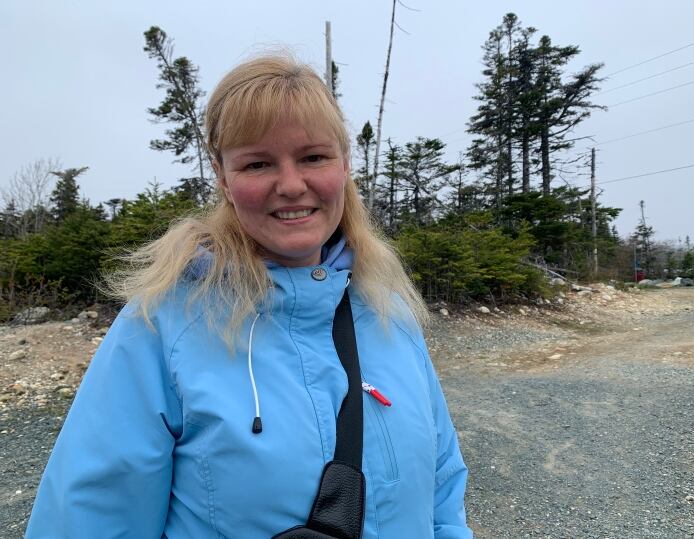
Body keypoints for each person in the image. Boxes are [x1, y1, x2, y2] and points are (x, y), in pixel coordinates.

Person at [26, 55, 472, 538]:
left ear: (345, 163)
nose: (291, 184)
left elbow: (443, 487)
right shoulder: (163, 326)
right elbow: (91, 517)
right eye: (258, 163)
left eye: (313, 157)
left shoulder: (390, 310)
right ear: (222, 176)